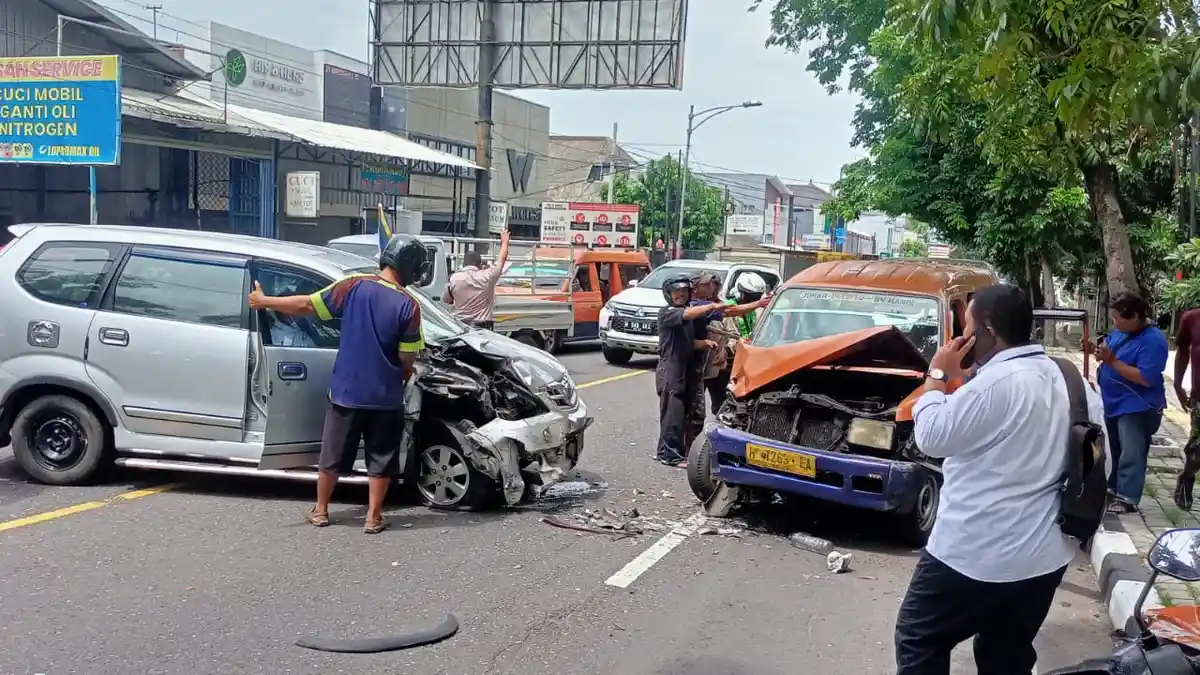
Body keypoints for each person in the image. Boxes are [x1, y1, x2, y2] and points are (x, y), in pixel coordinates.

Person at [894, 283, 1106, 675]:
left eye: (967, 327)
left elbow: (932, 437)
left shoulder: (995, 384)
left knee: (919, 638)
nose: (962, 337)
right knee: (1006, 653)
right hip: (1044, 557)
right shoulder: (1075, 382)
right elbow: (1097, 455)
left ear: (987, 331)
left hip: (973, 554)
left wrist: (937, 375)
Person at [248, 233, 428, 535]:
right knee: (380, 459)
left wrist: (264, 301)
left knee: (331, 454)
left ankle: (320, 510)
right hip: (385, 397)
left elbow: (307, 305)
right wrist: (403, 374)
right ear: (410, 267)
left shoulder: (353, 285)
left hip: (346, 392)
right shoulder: (409, 306)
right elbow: (407, 357)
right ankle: (373, 517)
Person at [655, 273, 767, 467]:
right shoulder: (669, 313)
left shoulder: (691, 311)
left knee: (683, 413)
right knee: (672, 414)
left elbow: (729, 312)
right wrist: (714, 305)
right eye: (677, 292)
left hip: (687, 368)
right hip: (671, 368)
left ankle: (670, 451)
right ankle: (670, 455)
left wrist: (758, 305)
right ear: (668, 294)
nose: (681, 295)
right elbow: (691, 314)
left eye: (684, 292)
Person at [1089, 292, 1167, 514]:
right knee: (1114, 448)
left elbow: (1145, 377)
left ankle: (1127, 496)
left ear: (1134, 317)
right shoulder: (1122, 332)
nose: (1114, 323)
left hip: (1137, 404)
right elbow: (1109, 351)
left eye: (1118, 318)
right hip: (1114, 401)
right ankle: (1113, 488)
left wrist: (1112, 360)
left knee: (1131, 451)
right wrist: (1100, 352)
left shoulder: (1153, 341)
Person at [443, 229, 511, 329]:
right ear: (479, 264)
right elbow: (502, 258)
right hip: (482, 328)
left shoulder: (453, 279)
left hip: (460, 326)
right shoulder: (487, 276)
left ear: (464, 264)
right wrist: (505, 241)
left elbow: (446, 300)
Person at [1174, 305, 1200, 510]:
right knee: (1197, 450)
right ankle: (1186, 478)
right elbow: (1182, 349)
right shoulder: (1192, 318)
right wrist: (1177, 382)